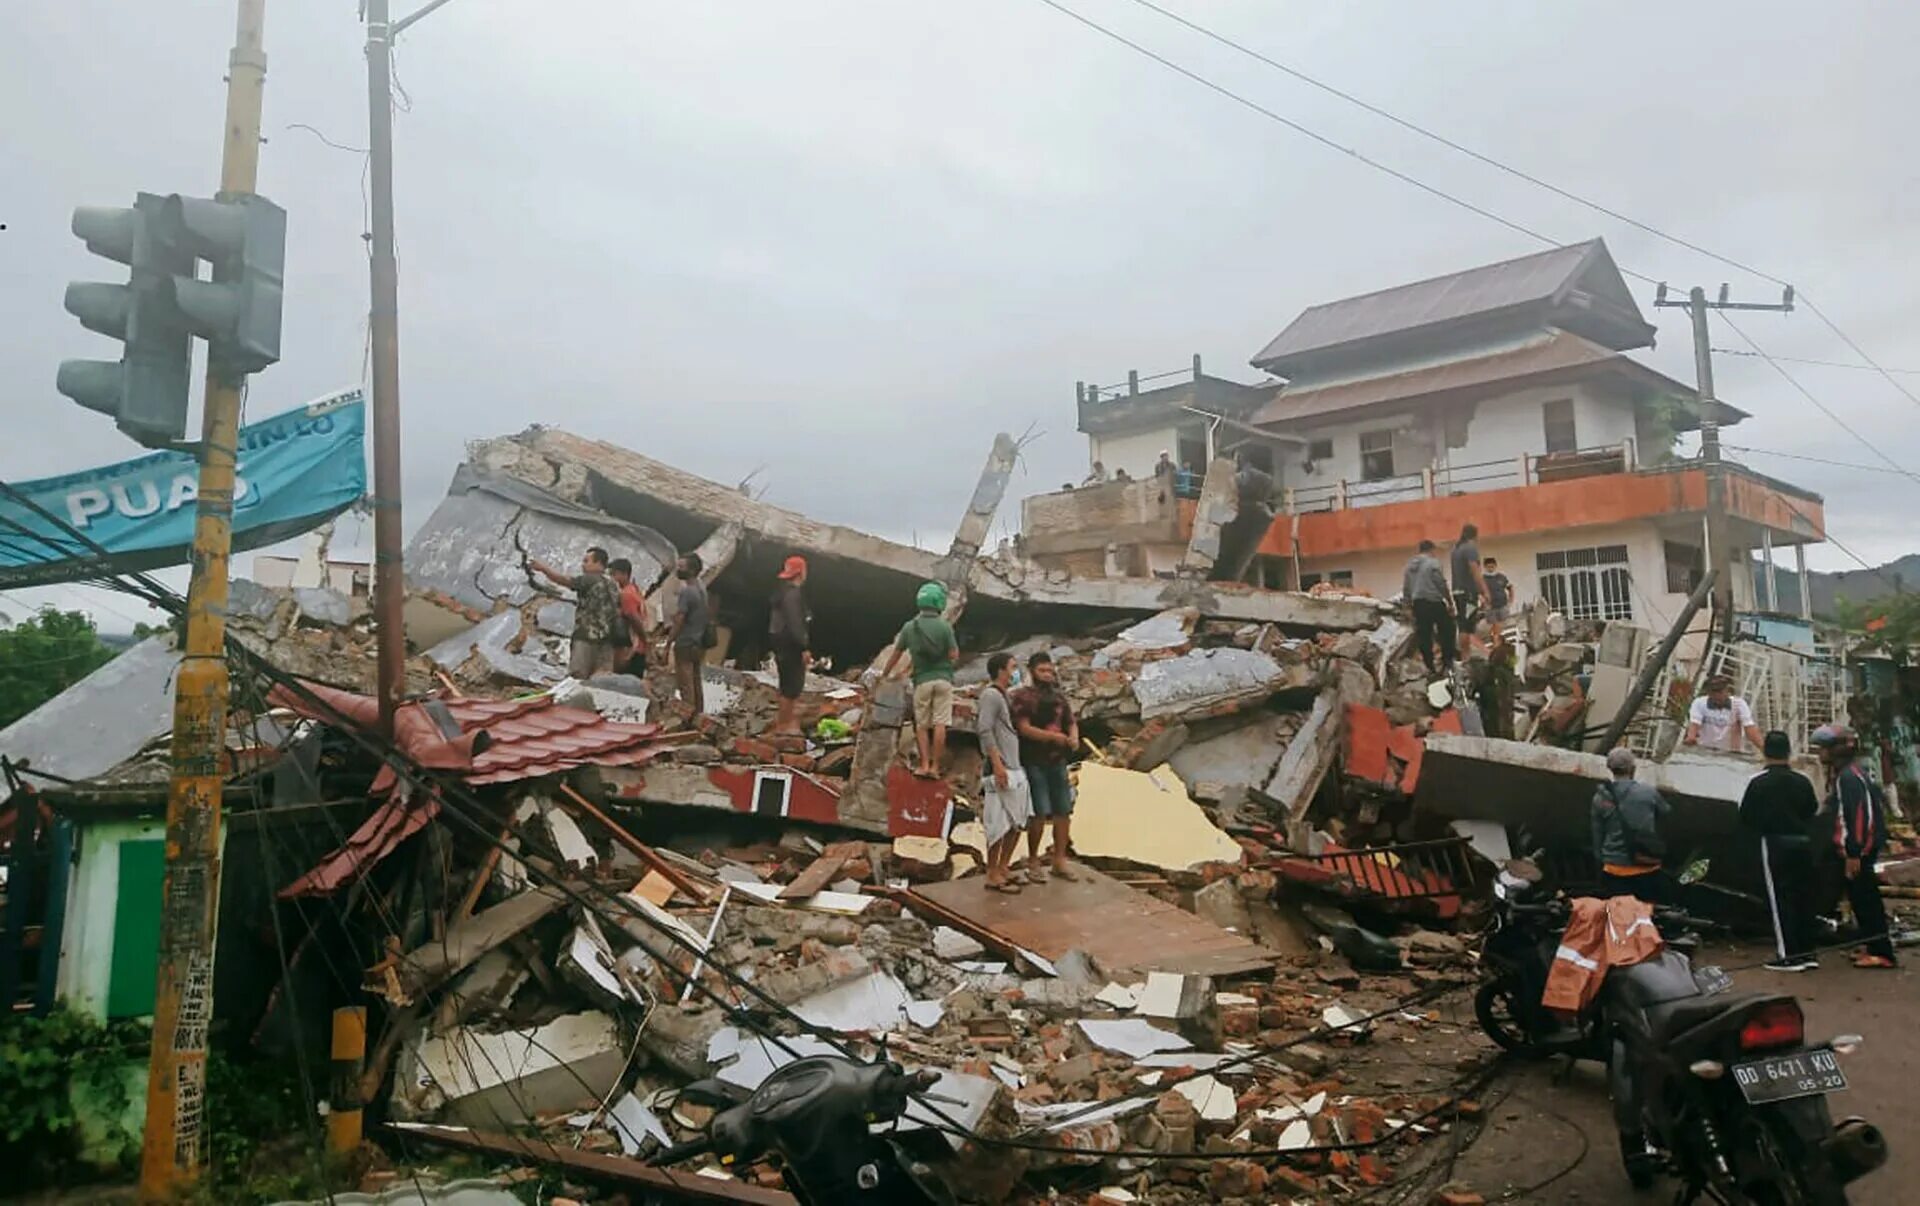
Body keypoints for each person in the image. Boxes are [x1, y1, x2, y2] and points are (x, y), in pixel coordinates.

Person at [1810, 724, 1897, 968]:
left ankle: (1883, 953)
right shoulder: (1848, 774)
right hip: (1857, 850)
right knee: (1859, 899)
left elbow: (1857, 817)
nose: (1820, 753)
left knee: (1867, 900)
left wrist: (1854, 853)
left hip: (1858, 852)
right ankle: (1871, 945)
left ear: (1837, 750)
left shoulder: (1849, 778)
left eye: (1823, 748)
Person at [1739, 730, 1822, 971]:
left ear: (1765, 752)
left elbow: (1747, 816)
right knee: (1803, 897)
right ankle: (1808, 952)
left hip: (1774, 843)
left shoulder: (1758, 783)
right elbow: (1811, 810)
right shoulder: (1802, 781)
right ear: (1788, 752)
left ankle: (1788, 955)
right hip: (1803, 843)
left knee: (1780, 899)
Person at [877, 582, 960, 778]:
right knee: (940, 724)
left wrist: (884, 675)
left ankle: (923, 765)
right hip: (944, 681)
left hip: (922, 681)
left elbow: (896, 654)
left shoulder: (910, 627)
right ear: (939, 601)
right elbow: (954, 655)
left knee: (922, 725)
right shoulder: (945, 627)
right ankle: (935, 767)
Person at [1012, 650, 1081, 884]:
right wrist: (1052, 738)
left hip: (1058, 761)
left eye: (1050, 670)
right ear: (1032, 671)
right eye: (1042, 670)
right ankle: (1033, 860)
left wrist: (1073, 738)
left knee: (1063, 810)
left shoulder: (1060, 698)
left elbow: (1071, 723)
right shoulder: (1023, 697)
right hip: (1034, 760)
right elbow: (1023, 728)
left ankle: (1059, 860)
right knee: (1039, 811)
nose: (1048, 675)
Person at [974, 652, 1031, 893]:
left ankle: (1004, 866)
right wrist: (997, 764)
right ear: (1000, 670)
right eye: (1012, 667)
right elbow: (985, 730)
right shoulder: (990, 695)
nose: (1015, 671)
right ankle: (992, 872)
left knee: (1017, 820)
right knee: (997, 822)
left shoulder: (1004, 696)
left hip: (1015, 766)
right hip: (1001, 767)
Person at [1591, 748, 1672, 903]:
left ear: (1610, 768)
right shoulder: (1648, 792)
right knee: (1644, 913)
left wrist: (1602, 863)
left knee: (1618, 915)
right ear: (1633, 768)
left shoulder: (1600, 798)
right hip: (1646, 865)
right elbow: (1666, 812)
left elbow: (1597, 836)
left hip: (1613, 868)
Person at [531, 545, 621, 681]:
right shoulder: (613, 584)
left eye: (586, 561)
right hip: (607, 641)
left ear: (598, 563)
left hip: (586, 638)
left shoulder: (590, 579)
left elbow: (564, 580)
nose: (583, 565)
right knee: (602, 681)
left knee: (577, 678)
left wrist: (544, 569)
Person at [768, 556, 811, 736]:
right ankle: (784, 727)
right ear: (801, 572)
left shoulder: (781, 594)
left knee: (786, 686)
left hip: (781, 646)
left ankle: (782, 724)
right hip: (791, 647)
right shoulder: (793, 595)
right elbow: (795, 624)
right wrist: (803, 647)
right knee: (791, 688)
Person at [1402, 539, 1455, 676]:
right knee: (1448, 629)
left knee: (1424, 635)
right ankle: (1447, 662)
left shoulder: (1409, 566)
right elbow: (1440, 583)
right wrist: (1449, 601)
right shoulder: (1433, 563)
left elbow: (1406, 587)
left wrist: (1407, 606)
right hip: (1434, 601)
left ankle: (1429, 666)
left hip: (1418, 604)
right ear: (1431, 550)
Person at [667, 552, 710, 715]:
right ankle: (699, 714)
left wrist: (669, 642)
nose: (678, 569)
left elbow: (679, 620)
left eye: (681, 567)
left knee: (686, 684)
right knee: (696, 681)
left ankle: (688, 717)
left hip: (685, 642)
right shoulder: (702, 588)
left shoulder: (687, 592)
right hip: (699, 642)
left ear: (691, 570)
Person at [1684, 674, 1764, 754]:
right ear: (1708, 692)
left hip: (1731, 753)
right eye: (1714, 692)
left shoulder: (1739, 704)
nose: (1717, 695)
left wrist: (1764, 750)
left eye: (1720, 691)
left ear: (1727, 690)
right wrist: (1691, 737)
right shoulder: (1699, 703)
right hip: (1705, 752)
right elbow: (1695, 724)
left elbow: (1750, 729)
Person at [1450, 523, 1489, 660]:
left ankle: (1464, 655)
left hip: (1457, 592)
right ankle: (1466, 656)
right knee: (1467, 627)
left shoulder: (1455, 549)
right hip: (1468, 593)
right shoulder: (1470, 548)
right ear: (1475, 535)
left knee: (1462, 624)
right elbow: (1475, 571)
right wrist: (1485, 591)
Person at [607, 557, 650, 675]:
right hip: (636, 646)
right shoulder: (634, 590)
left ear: (625, 574)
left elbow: (633, 618)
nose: (612, 578)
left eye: (614, 574)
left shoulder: (626, 594)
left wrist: (645, 639)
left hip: (631, 648)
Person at [1482, 556, 1512, 623]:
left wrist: (1510, 602)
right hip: (1491, 609)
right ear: (1485, 567)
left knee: (1505, 627)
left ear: (1495, 566)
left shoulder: (1501, 577)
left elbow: (1510, 588)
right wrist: (1485, 604)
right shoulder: (1482, 579)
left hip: (1503, 607)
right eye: (1488, 567)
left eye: (1492, 566)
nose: (1490, 568)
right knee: (1494, 629)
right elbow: (1478, 594)